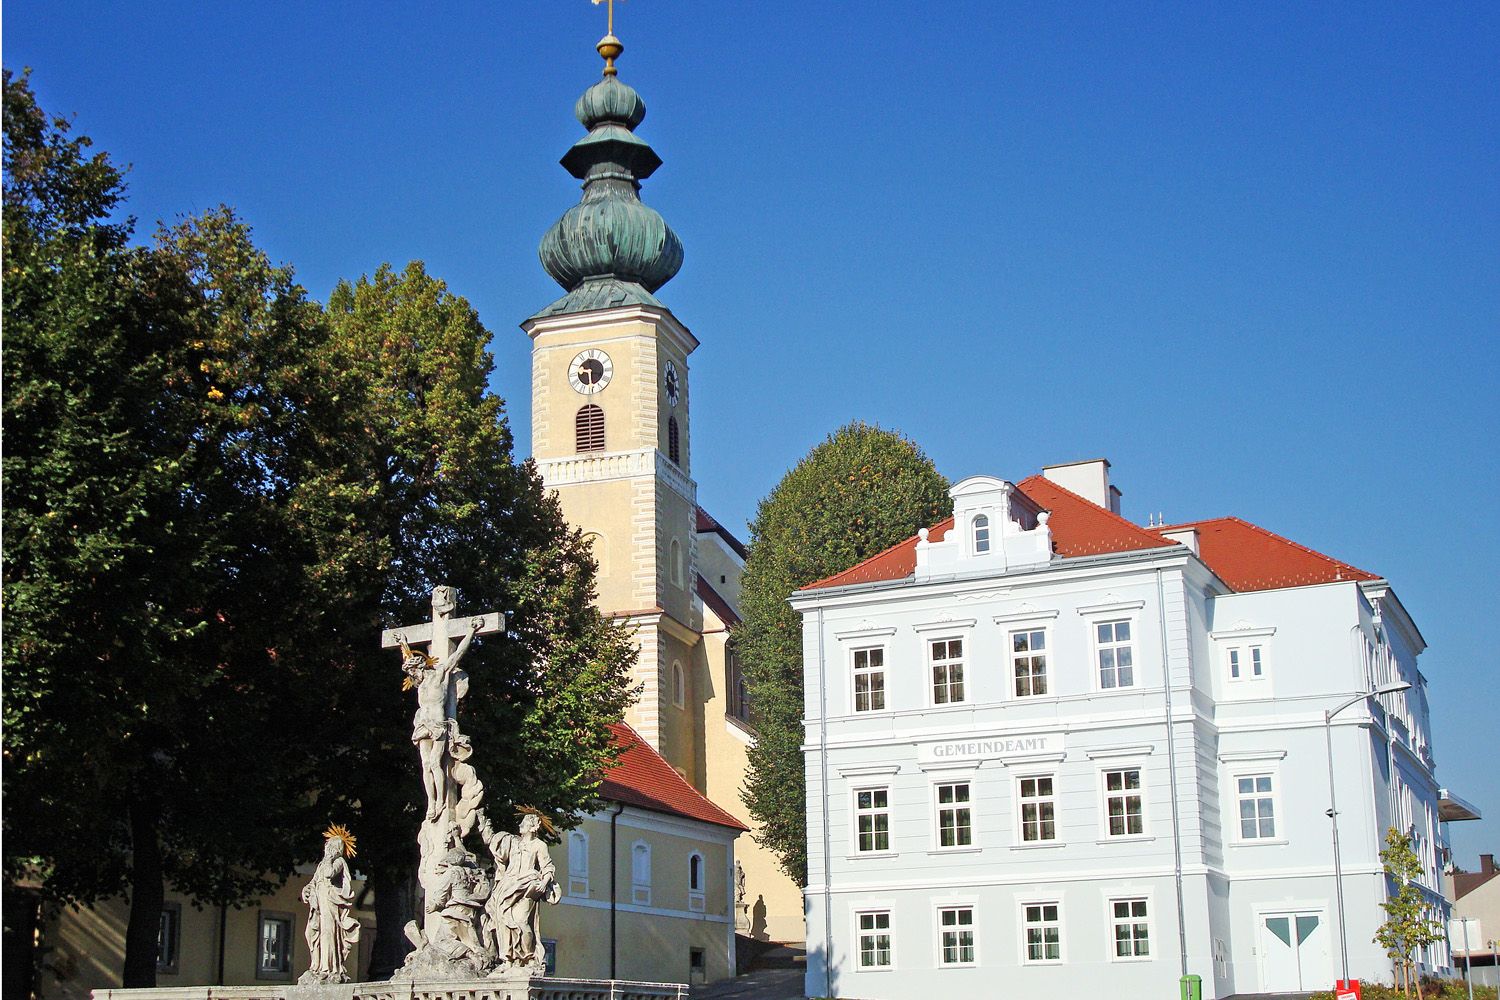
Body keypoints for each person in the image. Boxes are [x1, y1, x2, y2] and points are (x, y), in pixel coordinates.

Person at [399, 617, 481, 821]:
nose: (412, 677)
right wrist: (403, 643)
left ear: (421, 667)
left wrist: (471, 632)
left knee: (436, 763)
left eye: (413, 672)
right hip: (423, 725)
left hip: (438, 725)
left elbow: (457, 655)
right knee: (426, 765)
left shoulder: (439, 675)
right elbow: (407, 658)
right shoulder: (420, 684)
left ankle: (441, 802)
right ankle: (431, 802)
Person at [481, 812, 560, 972]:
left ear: (532, 826)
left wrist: (544, 882)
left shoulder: (539, 845)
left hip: (528, 885)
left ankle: (528, 957)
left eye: (523, 823)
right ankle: (508, 958)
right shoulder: (513, 843)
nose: (520, 826)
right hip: (508, 885)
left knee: (521, 921)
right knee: (503, 921)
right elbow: (497, 850)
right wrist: (484, 825)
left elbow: (547, 866)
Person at [300, 826, 360, 984]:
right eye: (328, 846)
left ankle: (328, 969)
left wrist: (329, 858)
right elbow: (313, 882)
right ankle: (317, 965)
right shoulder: (321, 864)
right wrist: (306, 891)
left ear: (337, 848)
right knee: (311, 933)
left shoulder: (338, 861)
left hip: (330, 901)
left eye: (332, 846)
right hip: (318, 902)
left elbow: (329, 874)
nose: (328, 848)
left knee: (328, 934)